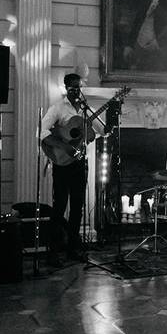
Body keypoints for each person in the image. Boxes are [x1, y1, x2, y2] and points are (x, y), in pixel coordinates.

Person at [40, 73, 105, 261]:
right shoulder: (58, 109)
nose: (76, 91)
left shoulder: (86, 111)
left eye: (79, 87)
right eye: (73, 88)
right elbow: (41, 131)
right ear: (66, 88)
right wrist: (64, 146)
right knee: (59, 206)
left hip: (79, 164)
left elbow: (101, 131)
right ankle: (53, 250)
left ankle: (72, 248)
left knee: (78, 206)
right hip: (62, 164)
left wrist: (105, 130)